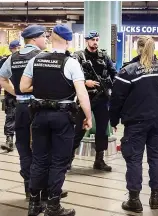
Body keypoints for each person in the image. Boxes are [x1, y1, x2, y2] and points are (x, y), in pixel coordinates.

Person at [20, 24, 92, 216]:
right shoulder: (71, 63)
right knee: (59, 161)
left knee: (39, 160)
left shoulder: (35, 59)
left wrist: (44, 89)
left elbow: (23, 86)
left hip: (39, 115)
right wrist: (88, 117)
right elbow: (82, 94)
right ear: (68, 41)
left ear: (51, 38)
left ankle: (34, 203)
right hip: (62, 117)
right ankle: (53, 205)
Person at [109, 35, 158, 213]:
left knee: (134, 160)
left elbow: (116, 100)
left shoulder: (128, 71)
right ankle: (155, 199)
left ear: (137, 48)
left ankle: (134, 201)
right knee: (157, 159)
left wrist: (113, 120)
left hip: (135, 124)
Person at [0, 25, 48, 201]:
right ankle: (42, 189)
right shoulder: (42, 57)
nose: (46, 39)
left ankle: (28, 187)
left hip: (20, 108)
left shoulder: (13, 58)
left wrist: (17, 92)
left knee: (23, 147)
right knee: (42, 147)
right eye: (44, 36)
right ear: (34, 39)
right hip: (39, 107)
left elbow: (1, 78)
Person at [68, 30, 116, 172]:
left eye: (97, 39)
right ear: (86, 41)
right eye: (92, 39)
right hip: (85, 97)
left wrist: (111, 88)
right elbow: (70, 76)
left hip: (101, 98)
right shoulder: (78, 57)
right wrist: (85, 82)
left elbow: (114, 74)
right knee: (78, 129)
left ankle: (99, 160)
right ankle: (68, 159)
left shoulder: (104, 56)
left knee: (102, 130)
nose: (95, 42)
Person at [0, 40, 21, 152]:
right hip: (10, 93)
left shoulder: (24, 60)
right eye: (15, 48)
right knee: (10, 116)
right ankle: (9, 140)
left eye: (19, 48)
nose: (17, 50)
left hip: (23, 93)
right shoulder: (5, 61)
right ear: (10, 49)